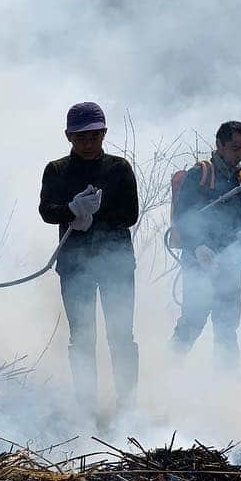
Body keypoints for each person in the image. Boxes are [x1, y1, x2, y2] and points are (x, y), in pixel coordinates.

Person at [39, 102, 140, 413]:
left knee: (121, 335)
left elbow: (130, 214)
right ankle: (86, 407)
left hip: (116, 264)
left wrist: (95, 216)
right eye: (81, 137)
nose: (88, 144)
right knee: (82, 337)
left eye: (94, 137)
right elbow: (46, 211)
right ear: (68, 136)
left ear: (104, 134)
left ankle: (127, 404)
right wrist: (71, 211)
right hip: (75, 266)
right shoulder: (56, 170)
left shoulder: (119, 168)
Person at [171, 121, 241, 368]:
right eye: (234, 147)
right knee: (193, 320)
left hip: (232, 262)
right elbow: (183, 216)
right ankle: (164, 372)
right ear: (219, 145)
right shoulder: (200, 174)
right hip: (200, 261)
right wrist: (198, 247)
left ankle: (227, 385)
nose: (239, 153)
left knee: (227, 326)